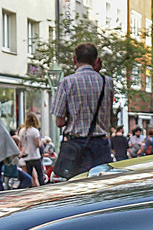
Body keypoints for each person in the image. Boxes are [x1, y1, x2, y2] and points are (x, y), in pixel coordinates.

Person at [51, 42, 114, 178]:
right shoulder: (107, 82)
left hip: (76, 145)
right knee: (101, 186)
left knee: (77, 186)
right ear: (96, 60)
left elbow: (59, 122)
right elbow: (108, 111)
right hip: (101, 145)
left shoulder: (67, 82)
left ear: (74, 59)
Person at [19, 114, 46, 186]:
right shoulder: (35, 131)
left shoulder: (22, 131)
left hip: (26, 156)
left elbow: (20, 144)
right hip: (35, 156)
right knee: (40, 175)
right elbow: (38, 144)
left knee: (29, 176)